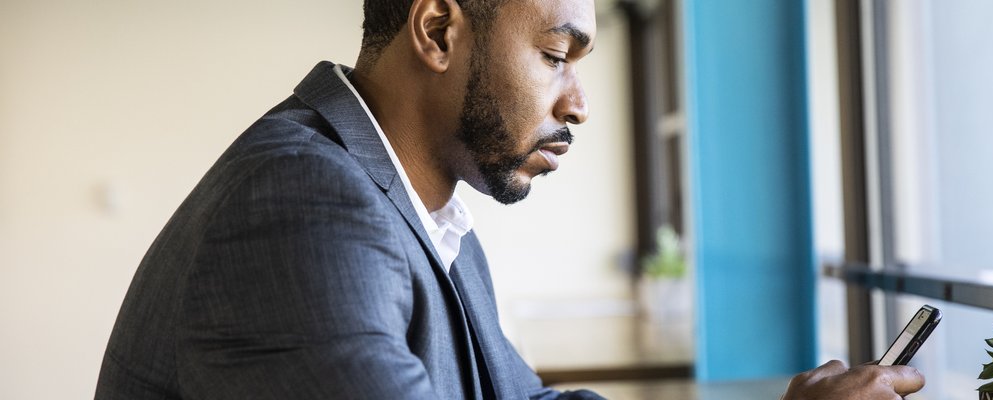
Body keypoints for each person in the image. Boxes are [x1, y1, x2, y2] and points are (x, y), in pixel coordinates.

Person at [95, 0, 925, 398]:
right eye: (558, 53)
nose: (579, 104)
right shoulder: (303, 201)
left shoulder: (417, 209)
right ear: (437, 30)